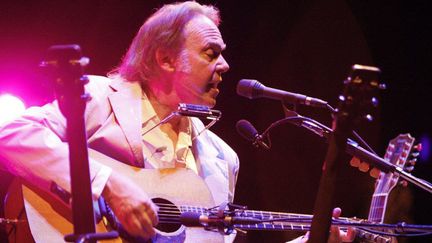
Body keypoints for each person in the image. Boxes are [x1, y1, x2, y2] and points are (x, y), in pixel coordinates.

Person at [0, 1, 353, 242]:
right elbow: (9, 133)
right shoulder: (97, 96)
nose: (226, 65)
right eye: (211, 53)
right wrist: (109, 185)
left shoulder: (222, 157)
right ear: (166, 59)